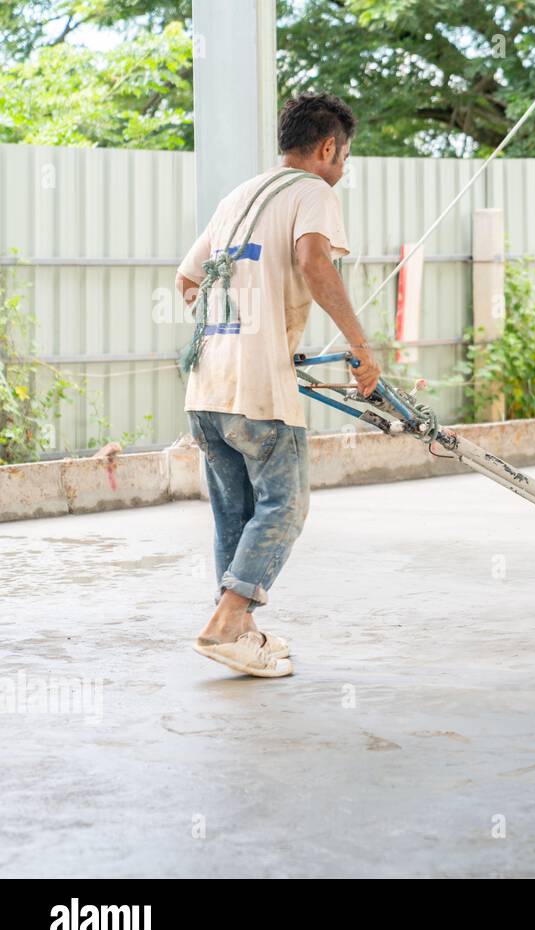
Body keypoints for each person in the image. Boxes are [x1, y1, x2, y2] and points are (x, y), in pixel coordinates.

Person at [176, 93, 380, 678]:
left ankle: (238, 628)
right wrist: (361, 348)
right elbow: (316, 263)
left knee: (234, 512)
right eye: (344, 155)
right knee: (286, 503)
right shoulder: (313, 192)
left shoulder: (239, 195)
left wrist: (241, 325)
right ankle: (225, 623)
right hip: (258, 390)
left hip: (206, 388)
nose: (343, 168)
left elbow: (188, 280)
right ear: (326, 148)